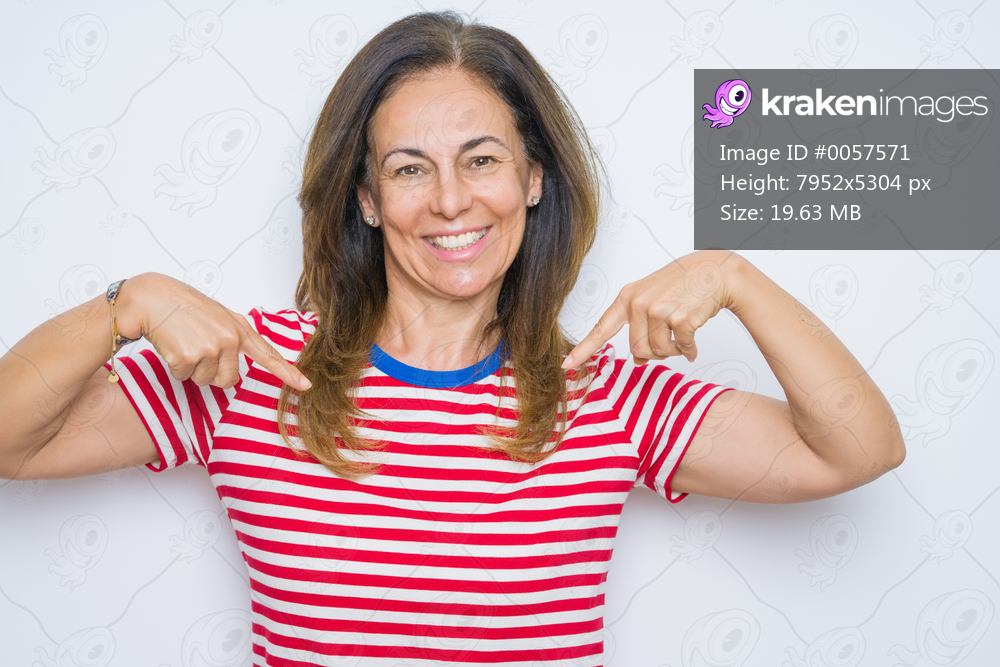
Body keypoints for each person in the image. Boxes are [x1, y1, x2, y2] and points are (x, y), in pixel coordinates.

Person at [0, 11, 904, 666]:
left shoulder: (605, 395)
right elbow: (11, 440)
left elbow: (859, 449)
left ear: (534, 179)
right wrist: (125, 303)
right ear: (366, 198)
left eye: (481, 159)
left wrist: (738, 277)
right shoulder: (252, 369)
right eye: (408, 168)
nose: (450, 200)